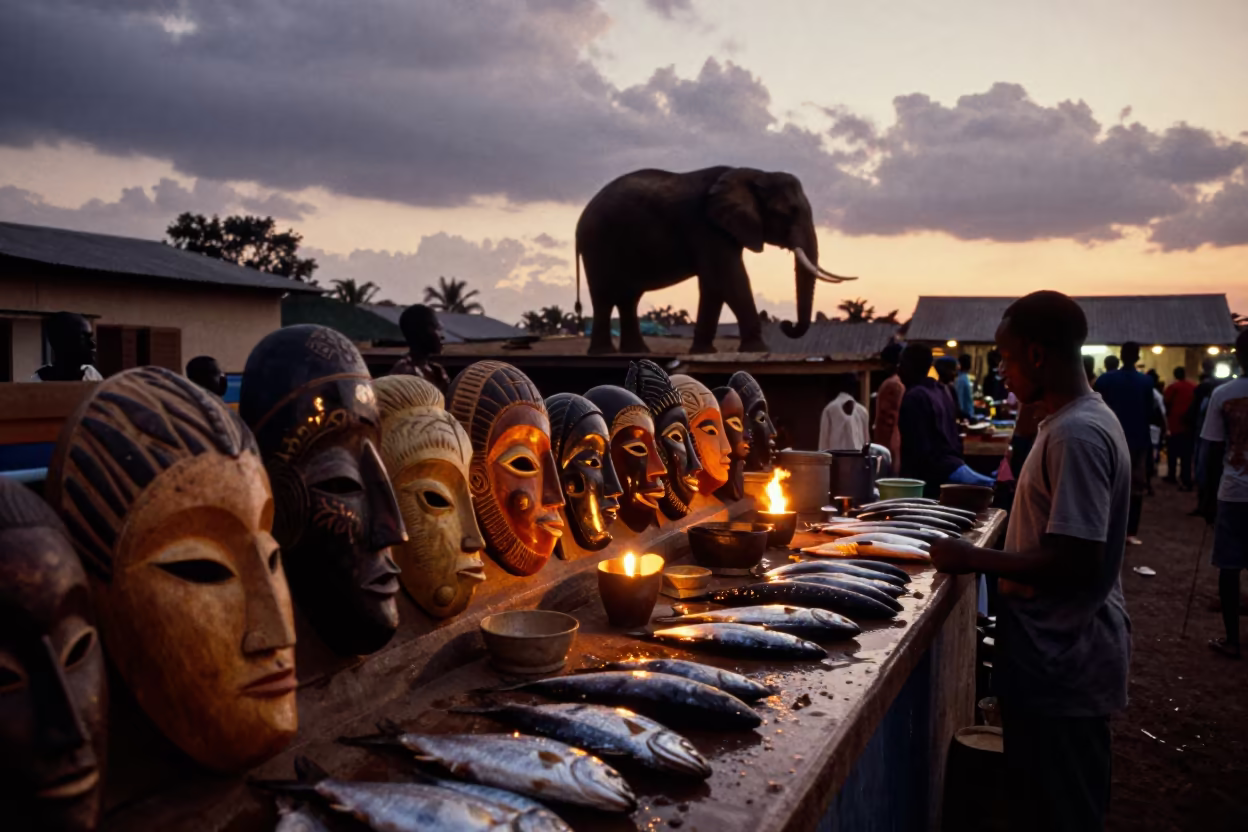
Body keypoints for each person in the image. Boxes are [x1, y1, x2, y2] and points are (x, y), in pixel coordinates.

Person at [929, 290, 1130, 832]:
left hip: (1065, 665)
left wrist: (971, 557)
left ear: (1038, 356)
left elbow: (1076, 560)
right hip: (1051, 660)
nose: (1002, 369)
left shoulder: (1079, 434)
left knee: (1060, 812)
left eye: (1007, 357)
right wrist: (1026, 414)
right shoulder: (1063, 422)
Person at [1199, 328, 1248, 658]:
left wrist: (1206, 498)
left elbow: (1213, 451)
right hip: (1233, 489)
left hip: (1234, 490)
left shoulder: (1224, 394)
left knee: (1229, 568)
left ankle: (1233, 640)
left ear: (1237, 356)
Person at [898, 345, 993, 496]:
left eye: (901, 364)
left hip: (933, 480)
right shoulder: (943, 390)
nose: (899, 370)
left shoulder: (915, 396)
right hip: (953, 465)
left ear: (911, 365)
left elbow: (918, 452)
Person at [1094, 343, 1153, 545]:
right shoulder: (1146, 382)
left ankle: (1104, 529)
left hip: (1108, 439)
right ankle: (1129, 532)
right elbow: (1150, 412)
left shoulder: (1105, 380)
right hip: (1137, 440)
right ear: (1137, 357)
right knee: (1135, 488)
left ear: (1120, 355)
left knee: (1105, 483)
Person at [389, 304, 450, 393]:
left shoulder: (437, 371)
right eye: (437, 328)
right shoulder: (404, 373)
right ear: (421, 333)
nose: (442, 336)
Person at [29, 312, 103, 382]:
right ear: (62, 342)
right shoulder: (38, 383)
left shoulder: (92, 376)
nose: (92, 344)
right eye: (83, 338)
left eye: (90, 337)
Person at [873, 342, 905, 476]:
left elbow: (889, 421)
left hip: (888, 448)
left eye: (884, 362)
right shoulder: (900, 383)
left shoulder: (892, 385)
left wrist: (888, 452)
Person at [1163, 367, 1197, 489]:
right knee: (1186, 455)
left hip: (1174, 424)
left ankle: (1171, 475)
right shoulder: (1193, 386)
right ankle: (1185, 477)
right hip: (1189, 425)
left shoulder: (1173, 387)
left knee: (1172, 452)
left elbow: (1166, 403)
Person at [819, 373, 870, 452]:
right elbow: (866, 444)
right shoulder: (863, 411)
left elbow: (823, 445)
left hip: (836, 460)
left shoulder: (829, 410)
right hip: (858, 460)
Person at [955, 354, 976, 420]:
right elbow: (959, 399)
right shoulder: (961, 379)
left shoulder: (964, 377)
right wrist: (963, 416)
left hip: (968, 414)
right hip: (965, 416)